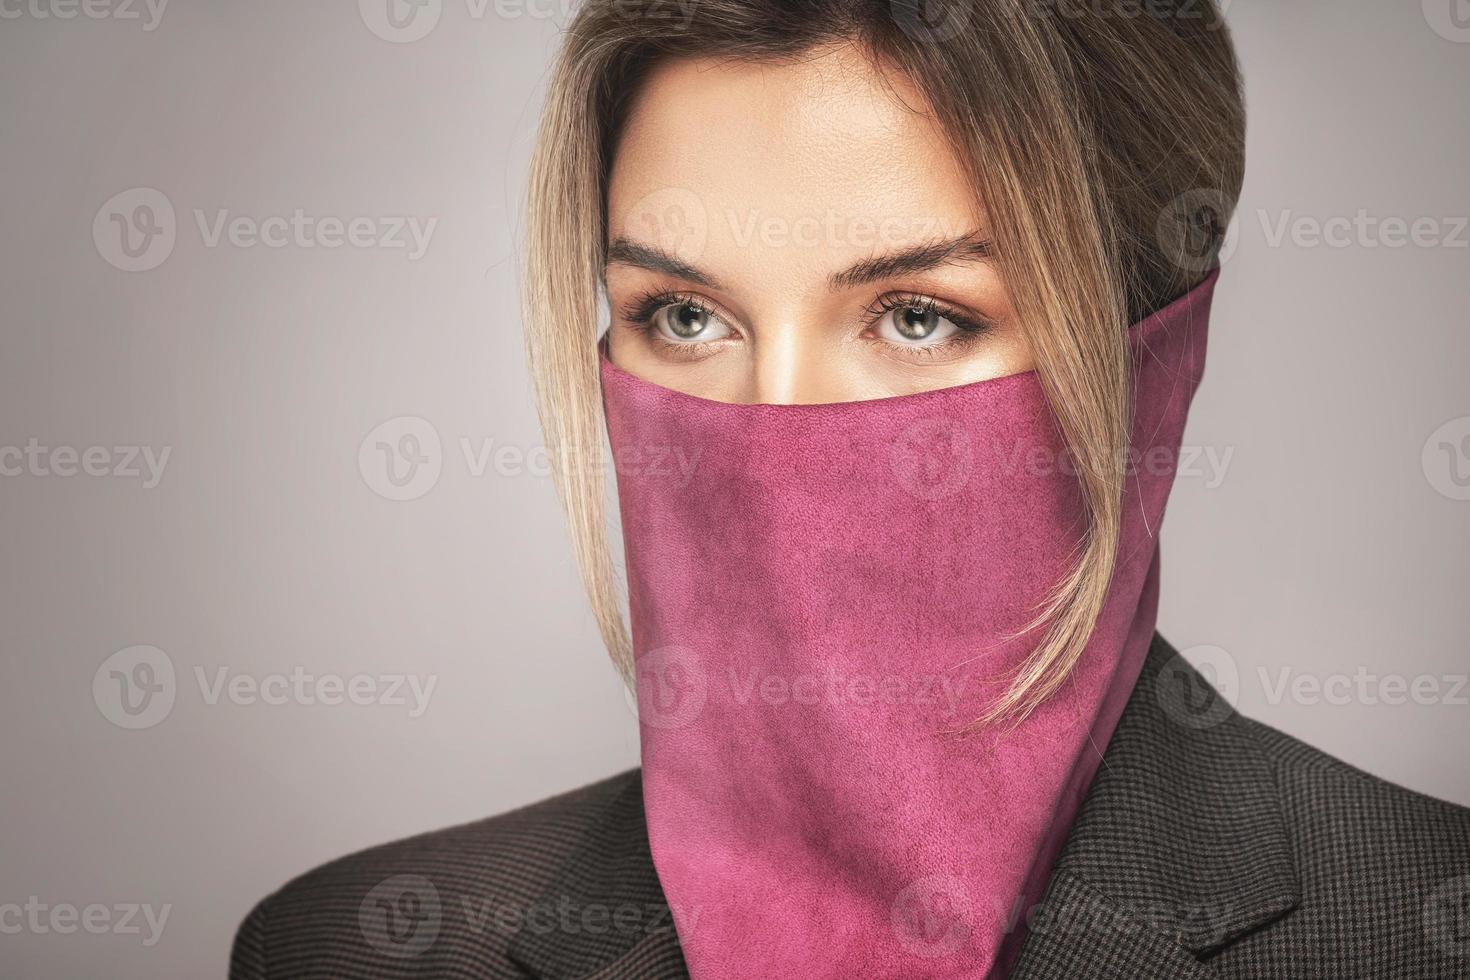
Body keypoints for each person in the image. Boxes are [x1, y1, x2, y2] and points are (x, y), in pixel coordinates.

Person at [230, 2, 1470, 977]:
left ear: (1156, 357)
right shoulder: (360, 948)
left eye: (918, 317)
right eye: (683, 313)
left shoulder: (1421, 929)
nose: (774, 432)